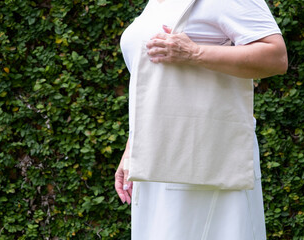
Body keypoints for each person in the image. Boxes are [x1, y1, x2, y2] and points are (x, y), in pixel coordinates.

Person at [115, 0, 288, 239]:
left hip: (205, 157)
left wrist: (195, 53)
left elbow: (276, 56)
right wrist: (132, 147)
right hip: (155, 158)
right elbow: (153, 82)